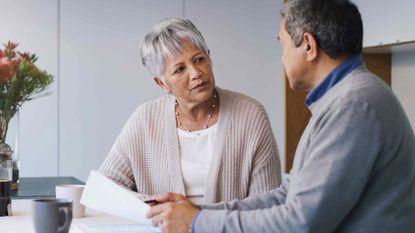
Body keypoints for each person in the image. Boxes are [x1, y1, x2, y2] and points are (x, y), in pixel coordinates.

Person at [146, 1, 415, 232]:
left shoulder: (354, 106)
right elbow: (290, 194)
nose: (283, 57)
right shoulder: (347, 97)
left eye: (283, 45)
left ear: (308, 46)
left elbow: (300, 222)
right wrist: (198, 211)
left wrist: (197, 222)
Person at [98, 17, 281, 206]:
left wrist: (197, 218)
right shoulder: (145, 119)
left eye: (199, 59)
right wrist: (157, 206)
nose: (196, 73)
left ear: (209, 57)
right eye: (179, 70)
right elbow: (105, 187)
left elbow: (268, 205)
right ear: (162, 83)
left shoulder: (251, 115)